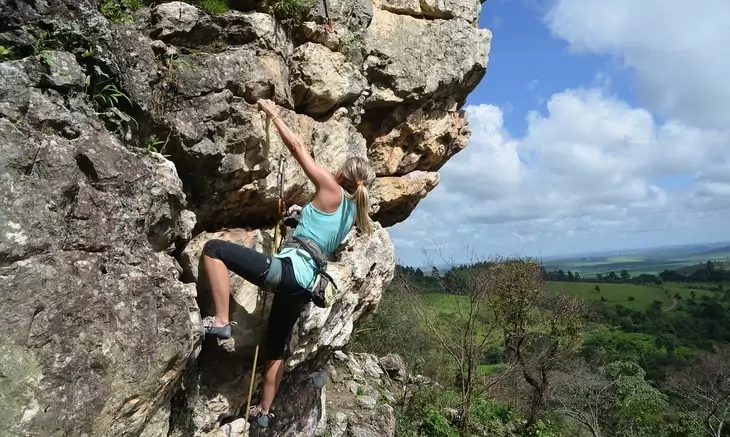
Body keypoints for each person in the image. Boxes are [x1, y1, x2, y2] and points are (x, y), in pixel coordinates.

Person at [198, 98, 376, 428]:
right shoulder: (352, 214)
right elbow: (318, 236)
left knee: (214, 250)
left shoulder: (330, 187)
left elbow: (296, 148)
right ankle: (263, 414)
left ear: (341, 174)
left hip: (289, 272)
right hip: (305, 286)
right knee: (276, 350)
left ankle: (220, 320)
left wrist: (273, 114)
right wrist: (298, 219)